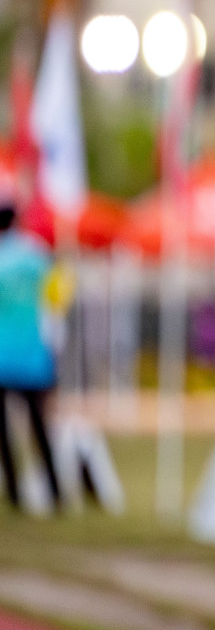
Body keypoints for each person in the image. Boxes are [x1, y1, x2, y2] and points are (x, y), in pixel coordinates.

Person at [0, 203, 61, 514]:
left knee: (4, 434)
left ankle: (14, 493)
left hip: (2, 357)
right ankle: (55, 490)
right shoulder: (37, 255)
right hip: (34, 355)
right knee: (40, 428)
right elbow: (57, 299)